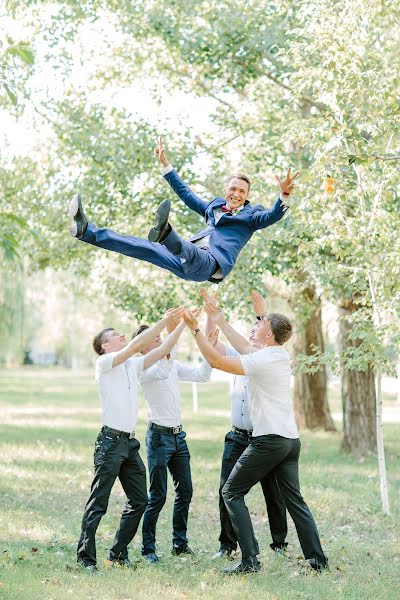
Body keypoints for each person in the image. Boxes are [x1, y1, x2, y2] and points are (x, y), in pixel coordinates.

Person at [183, 298, 328, 575]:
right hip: (290, 441)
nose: (257, 324)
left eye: (262, 323)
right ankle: (317, 560)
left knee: (231, 491)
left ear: (269, 334)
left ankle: (250, 560)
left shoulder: (264, 358)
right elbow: (244, 347)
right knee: (295, 500)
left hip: (269, 440)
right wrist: (221, 320)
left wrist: (195, 331)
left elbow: (216, 360)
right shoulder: (277, 355)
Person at [69, 137, 298, 284]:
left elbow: (272, 216)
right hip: (184, 261)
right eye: (233, 189)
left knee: (187, 249)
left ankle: (165, 233)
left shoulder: (251, 217)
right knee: (139, 247)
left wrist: (284, 195)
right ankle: (85, 231)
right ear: (226, 190)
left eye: (242, 192)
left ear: (247, 196)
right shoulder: (212, 208)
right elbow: (187, 195)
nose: (237, 195)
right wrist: (166, 165)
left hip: (210, 264)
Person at [77, 307, 185, 571]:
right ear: (105, 346)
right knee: (98, 502)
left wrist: (183, 324)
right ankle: (85, 558)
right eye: (116, 335)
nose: (123, 336)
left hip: (130, 444)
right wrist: (163, 320)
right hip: (110, 443)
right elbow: (138, 344)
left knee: (139, 500)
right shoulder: (105, 364)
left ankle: (117, 553)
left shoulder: (132, 366)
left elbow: (161, 351)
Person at [203, 289, 288, 561]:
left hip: (263, 437)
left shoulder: (265, 359)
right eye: (249, 331)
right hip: (237, 436)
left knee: (273, 492)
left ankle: (279, 543)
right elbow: (213, 348)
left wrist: (262, 314)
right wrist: (210, 319)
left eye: (256, 330)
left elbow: (272, 333)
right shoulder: (241, 356)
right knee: (226, 489)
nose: (252, 334)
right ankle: (227, 544)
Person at [131, 319, 212, 563]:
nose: (159, 340)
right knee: (157, 496)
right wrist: (178, 328)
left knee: (185, 491)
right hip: (158, 437)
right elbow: (164, 367)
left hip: (179, 437)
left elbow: (202, 376)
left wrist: (211, 351)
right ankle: (148, 549)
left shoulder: (171, 364)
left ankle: (180, 543)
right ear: (143, 348)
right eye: (154, 339)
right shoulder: (143, 369)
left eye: (160, 337)